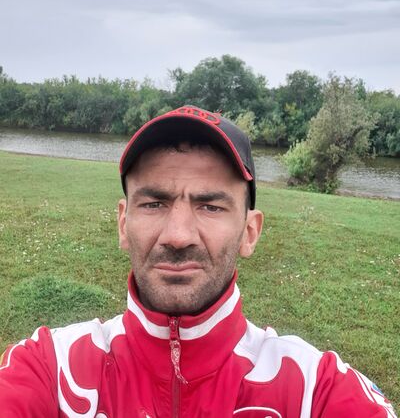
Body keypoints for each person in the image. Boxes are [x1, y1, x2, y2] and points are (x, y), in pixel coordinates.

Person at [0, 105, 396, 418]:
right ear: (123, 223)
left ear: (250, 232)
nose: (178, 235)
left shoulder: (314, 388)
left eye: (210, 206)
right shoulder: (48, 367)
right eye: (154, 203)